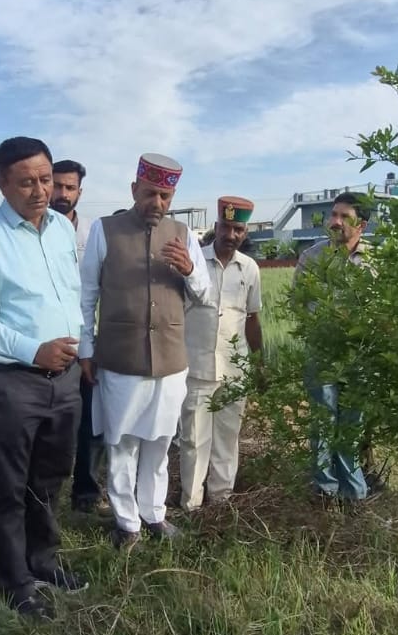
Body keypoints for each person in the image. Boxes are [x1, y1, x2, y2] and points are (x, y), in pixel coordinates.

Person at [0, 137, 84, 618]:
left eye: (46, 179)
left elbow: (70, 295)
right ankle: (15, 582)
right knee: (7, 488)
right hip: (12, 382)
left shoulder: (60, 230)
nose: (40, 191)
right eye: (26, 182)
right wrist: (34, 350)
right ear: (2, 184)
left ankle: (43, 561)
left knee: (49, 479)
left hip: (65, 379)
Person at [79, 153, 212, 547]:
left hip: (170, 360)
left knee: (160, 442)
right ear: (134, 189)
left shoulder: (183, 234)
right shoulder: (105, 230)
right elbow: (86, 294)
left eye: (165, 196)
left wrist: (190, 270)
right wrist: (86, 349)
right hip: (120, 358)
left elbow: (204, 295)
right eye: (150, 193)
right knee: (122, 444)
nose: (158, 202)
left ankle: (154, 514)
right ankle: (127, 523)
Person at [180, 196, 263, 511]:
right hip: (196, 367)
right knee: (193, 441)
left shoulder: (249, 269)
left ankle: (220, 503)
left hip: (234, 371)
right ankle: (191, 504)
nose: (231, 234)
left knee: (228, 439)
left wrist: (259, 364)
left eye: (237, 229)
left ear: (245, 232)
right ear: (216, 227)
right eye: (225, 227)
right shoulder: (193, 262)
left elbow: (252, 319)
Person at [295, 191, 371, 504]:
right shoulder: (311, 257)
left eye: (344, 216)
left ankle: (353, 493)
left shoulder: (374, 262)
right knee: (323, 423)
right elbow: (298, 303)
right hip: (321, 354)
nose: (335, 221)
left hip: (359, 356)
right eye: (334, 214)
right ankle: (325, 490)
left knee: (352, 425)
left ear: (361, 225)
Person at [52, 158, 106, 515]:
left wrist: (89, 347)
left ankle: (85, 489)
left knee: (89, 421)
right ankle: (47, 491)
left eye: (69, 187)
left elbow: (96, 292)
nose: (62, 193)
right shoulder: (35, 230)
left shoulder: (92, 232)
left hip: (85, 341)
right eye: (57, 185)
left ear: (79, 192)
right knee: (52, 423)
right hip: (45, 343)